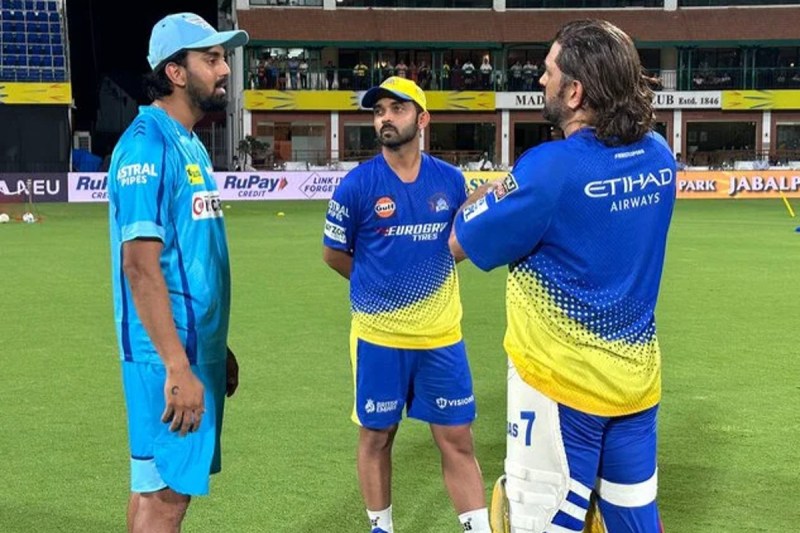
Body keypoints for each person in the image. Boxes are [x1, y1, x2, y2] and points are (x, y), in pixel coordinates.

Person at [449, 19, 675, 533]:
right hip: (637, 386)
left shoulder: (550, 168)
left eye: (549, 72)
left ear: (574, 92)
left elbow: (460, 240)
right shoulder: (660, 156)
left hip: (558, 388)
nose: (541, 81)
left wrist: (495, 188)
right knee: (637, 522)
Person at [322, 76, 490, 533]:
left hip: (441, 336)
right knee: (377, 435)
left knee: (457, 438)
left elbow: (461, 239)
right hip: (379, 337)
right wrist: (380, 285)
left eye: (397, 109)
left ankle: (477, 527)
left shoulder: (450, 180)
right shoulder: (356, 186)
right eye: (379, 111)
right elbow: (333, 254)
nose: (386, 118)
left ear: (423, 118)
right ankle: (381, 527)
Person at [107, 12, 247, 533]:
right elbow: (140, 268)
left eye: (223, 58)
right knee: (167, 496)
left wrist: (214, 345)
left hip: (193, 346)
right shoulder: (147, 145)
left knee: (154, 487)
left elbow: (189, 257)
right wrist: (176, 365)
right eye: (211, 59)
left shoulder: (188, 143)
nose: (224, 69)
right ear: (175, 72)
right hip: (165, 355)